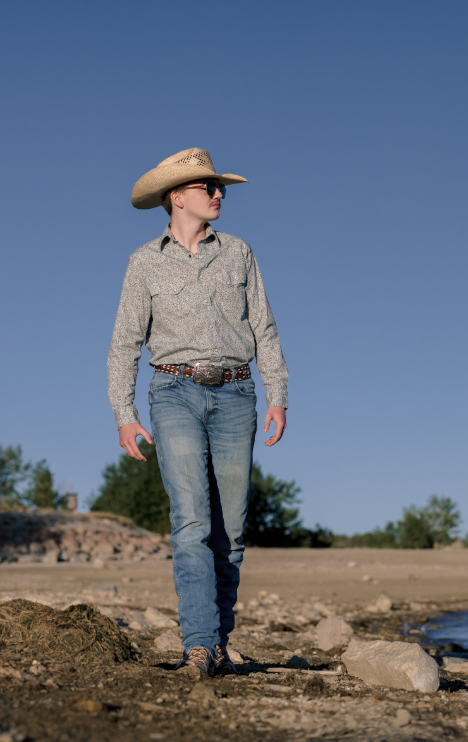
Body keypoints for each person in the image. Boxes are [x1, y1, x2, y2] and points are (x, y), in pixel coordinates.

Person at [107, 147, 289, 677]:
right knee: (191, 522)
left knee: (230, 531)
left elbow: (265, 329)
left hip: (237, 395)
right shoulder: (144, 262)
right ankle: (198, 646)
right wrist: (124, 411)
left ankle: (219, 643)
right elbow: (124, 344)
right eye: (208, 188)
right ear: (176, 197)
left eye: (220, 188)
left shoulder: (239, 253)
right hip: (173, 394)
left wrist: (278, 394)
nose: (218, 195)